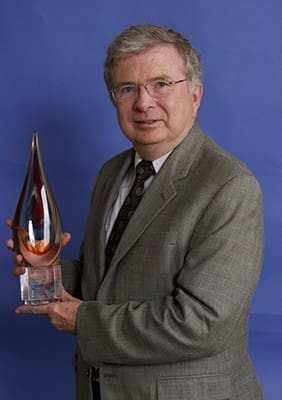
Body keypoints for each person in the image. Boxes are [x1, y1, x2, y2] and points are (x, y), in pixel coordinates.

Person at [7, 24, 264, 400]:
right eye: (127, 89)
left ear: (195, 96)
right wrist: (51, 273)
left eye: (161, 84)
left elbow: (202, 324)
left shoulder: (229, 187)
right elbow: (111, 279)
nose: (143, 103)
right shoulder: (112, 173)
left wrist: (83, 321)